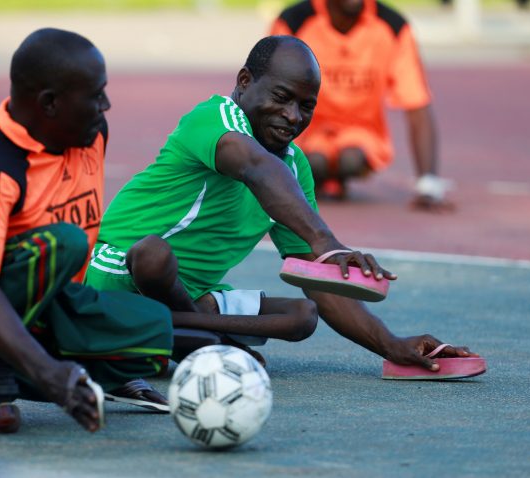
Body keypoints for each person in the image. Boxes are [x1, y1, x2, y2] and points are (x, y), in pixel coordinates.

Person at [85, 36, 472, 372]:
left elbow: (321, 286)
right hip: (118, 276)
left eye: (306, 106)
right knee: (154, 254)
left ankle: (185, 335)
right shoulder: (213, 118)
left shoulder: (292, 166)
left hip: (191, 299)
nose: (292, 116)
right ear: (244, 81)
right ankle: (206, 343)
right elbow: (253, 166)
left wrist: (391, 344)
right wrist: (327, 242)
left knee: (303, 316)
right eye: (282, 97)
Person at [0, 28, 173, 433]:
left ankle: (13, 364)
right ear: (49, 103)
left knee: (155, 330)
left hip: (38, 302)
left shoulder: (89, 135)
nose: (106, 105)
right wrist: (50, 375)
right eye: (95, 95)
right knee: (66, 243)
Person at [270, 0, 453, 210]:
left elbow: (417, 102)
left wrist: (428, 185)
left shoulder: (392, 26)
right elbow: (268, 90)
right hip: (305, 130)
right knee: (312, 163)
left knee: (350, 159)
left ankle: (335, 178)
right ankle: (322, 180)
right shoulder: (294, 21)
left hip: (361, 133)